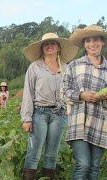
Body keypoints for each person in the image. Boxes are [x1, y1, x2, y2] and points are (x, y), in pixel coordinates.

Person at [20, 33, 78, 179]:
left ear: (59, 47)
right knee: (34, 152)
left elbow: (71, 92)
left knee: (52, 153)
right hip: (40, 113)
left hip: (60, 114)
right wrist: (27, 118)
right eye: (46, 44)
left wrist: (69, 111)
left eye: (53, 43)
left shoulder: (66, 68)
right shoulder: (35, 67)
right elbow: (28, 92)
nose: (49, 46)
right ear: (42, 48)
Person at [62, 24, 107, 179]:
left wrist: (103, 96)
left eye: (96, 40)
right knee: (83, 165)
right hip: (79, 122)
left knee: (94, 168)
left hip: (101, 123)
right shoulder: (74, 65)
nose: (92, 44)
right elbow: (64, 92)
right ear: (84, 44)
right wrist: (81, 95)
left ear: (103, 42)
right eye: (88, 41)